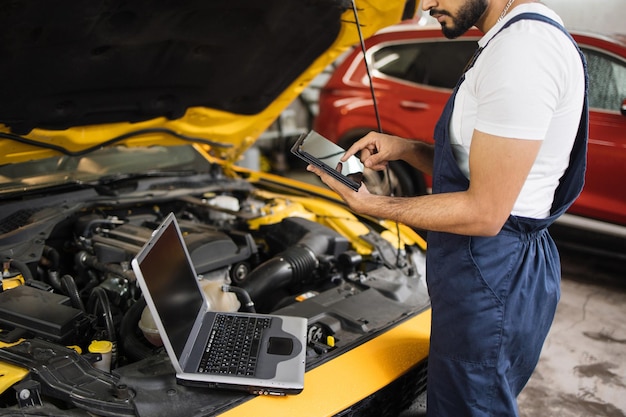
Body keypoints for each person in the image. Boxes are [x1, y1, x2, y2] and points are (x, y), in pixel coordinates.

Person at [307, 0, 588, 416]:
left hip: (493, 272)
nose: (426, 4)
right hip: (490, 268)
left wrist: (375, 205)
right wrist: (406, 149)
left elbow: (485, 212)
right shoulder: (511, 40)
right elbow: (484, 164)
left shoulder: (523, 52)